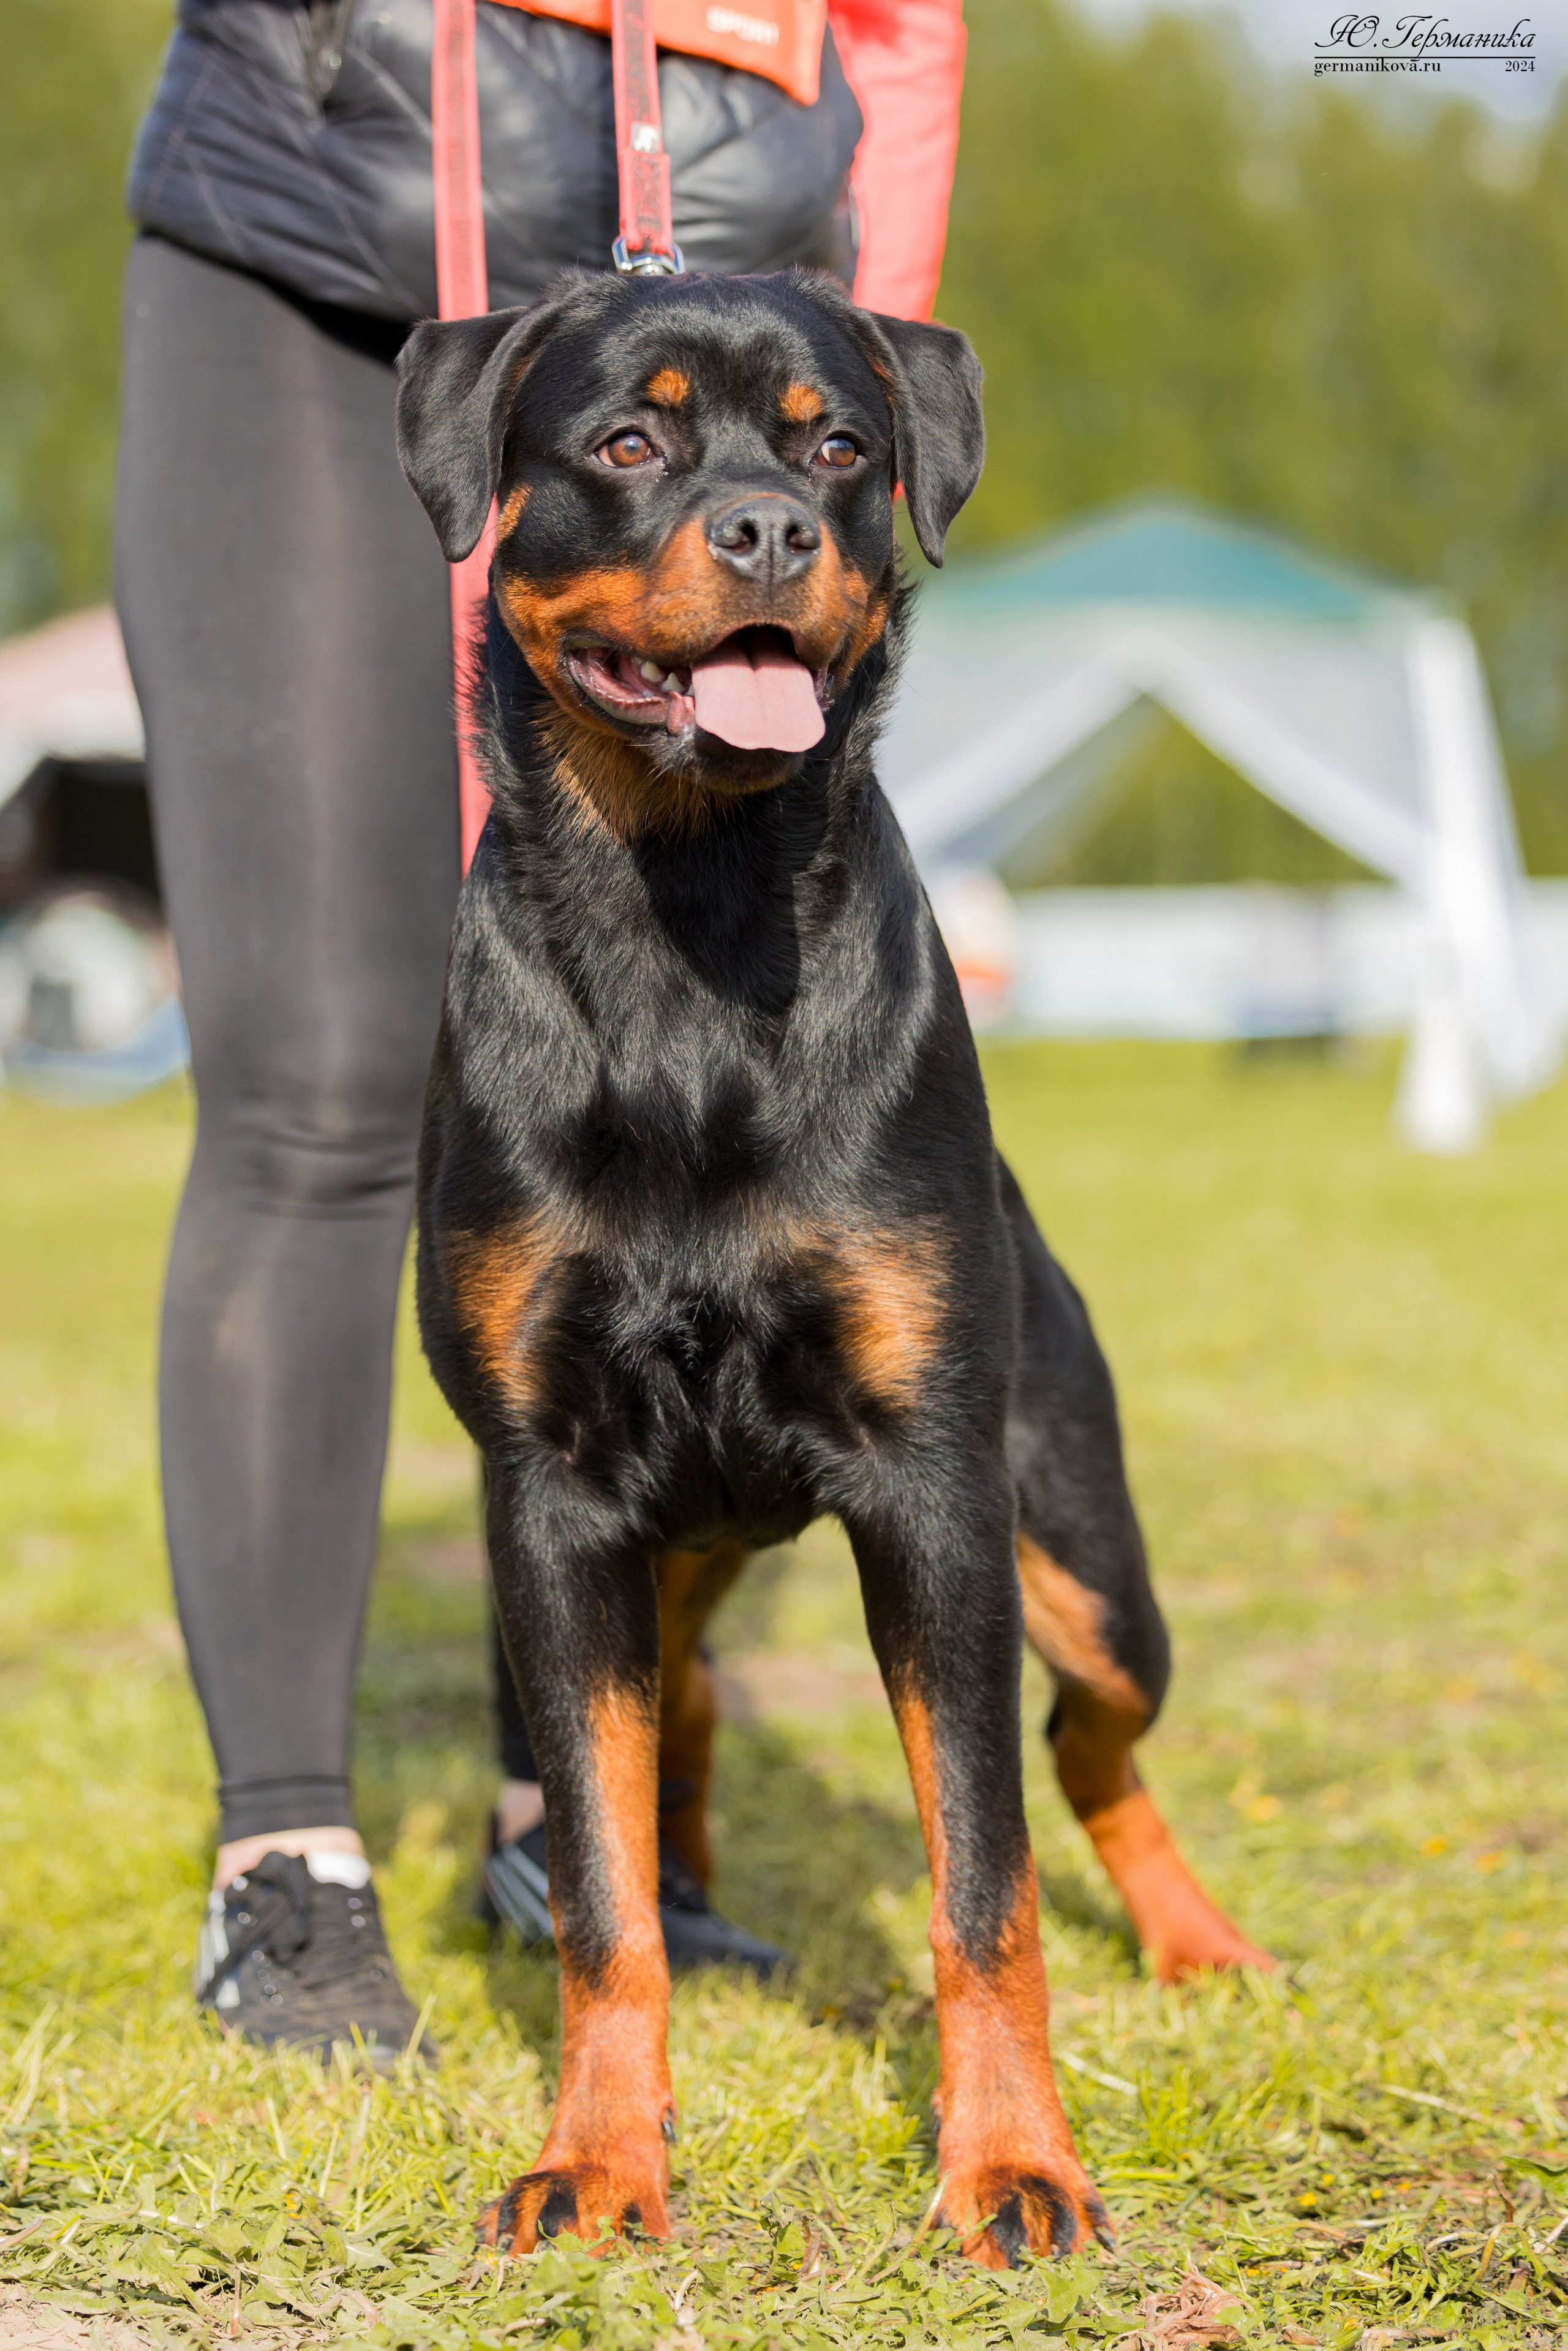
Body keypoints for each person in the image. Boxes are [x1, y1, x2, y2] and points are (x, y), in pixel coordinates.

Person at [116, 0, 967, 2061]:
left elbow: (909, 25)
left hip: (746, 223)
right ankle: (290, 1862)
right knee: (324, 1079)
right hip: (321, 214)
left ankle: (558, 1831)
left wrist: (868, 345)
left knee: (736, 1085)